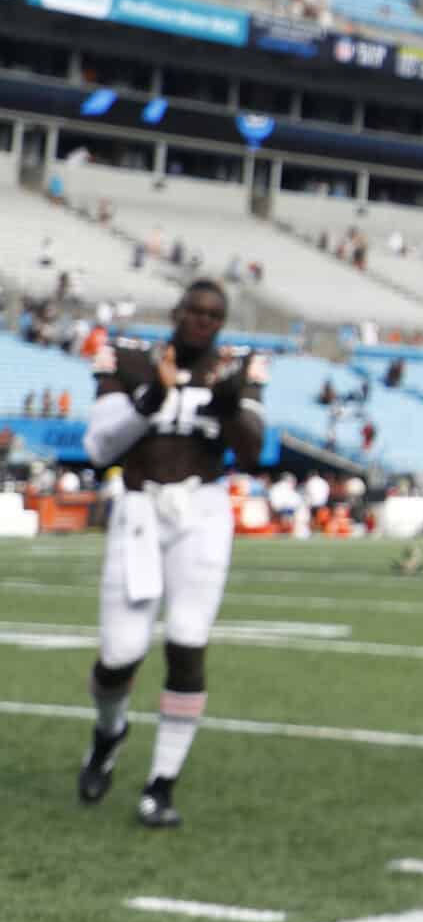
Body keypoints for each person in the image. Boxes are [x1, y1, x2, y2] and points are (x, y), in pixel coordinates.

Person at [75, 280, 266, 829]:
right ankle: (109, 732)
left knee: (187, 640)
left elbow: (251, 452)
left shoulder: (237, 369)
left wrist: (230, 405)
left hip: (202, 512)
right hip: (138, 510)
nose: (204, 322)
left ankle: (161, 783)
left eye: (214, 315)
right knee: (120, 654)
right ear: (177, 312)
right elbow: (99, 447)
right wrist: (150, 399)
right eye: (196, 311)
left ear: (222, 322)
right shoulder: (131, 359)